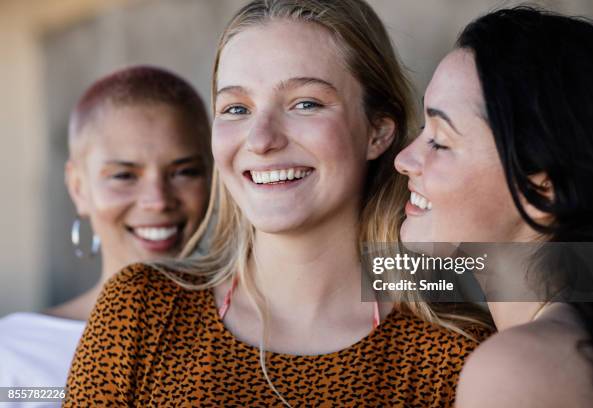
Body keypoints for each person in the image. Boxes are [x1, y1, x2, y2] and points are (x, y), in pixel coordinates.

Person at [64, 1, 491, 407]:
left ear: (377, 131)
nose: (262, 139)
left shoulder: (456, 346)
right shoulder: (139, 309)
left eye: (305, 103)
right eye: (236, 108)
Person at [395, 7, 593, 408]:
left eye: (440, 141)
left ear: (542, 190)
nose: (404, 160)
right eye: (423, 129)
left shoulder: (520, 371)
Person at [0, 66, 212, 404]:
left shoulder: (262, 335)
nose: (157, 200)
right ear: (78, 188)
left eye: (185, 172)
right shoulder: (14, 353)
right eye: (125, 176)